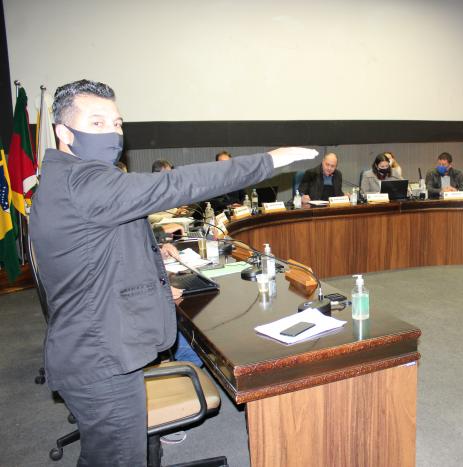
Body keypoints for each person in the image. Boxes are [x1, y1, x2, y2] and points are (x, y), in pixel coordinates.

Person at [28, 79, 317, 466]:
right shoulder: (83, 181)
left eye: (117, 123)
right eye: (97, 123)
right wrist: (270, 160)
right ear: (64, 133)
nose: (113, 133)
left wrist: (154, 264)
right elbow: (176, 184)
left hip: (94, 345)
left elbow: (101, 245)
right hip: (100, 355)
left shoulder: (67, 179)